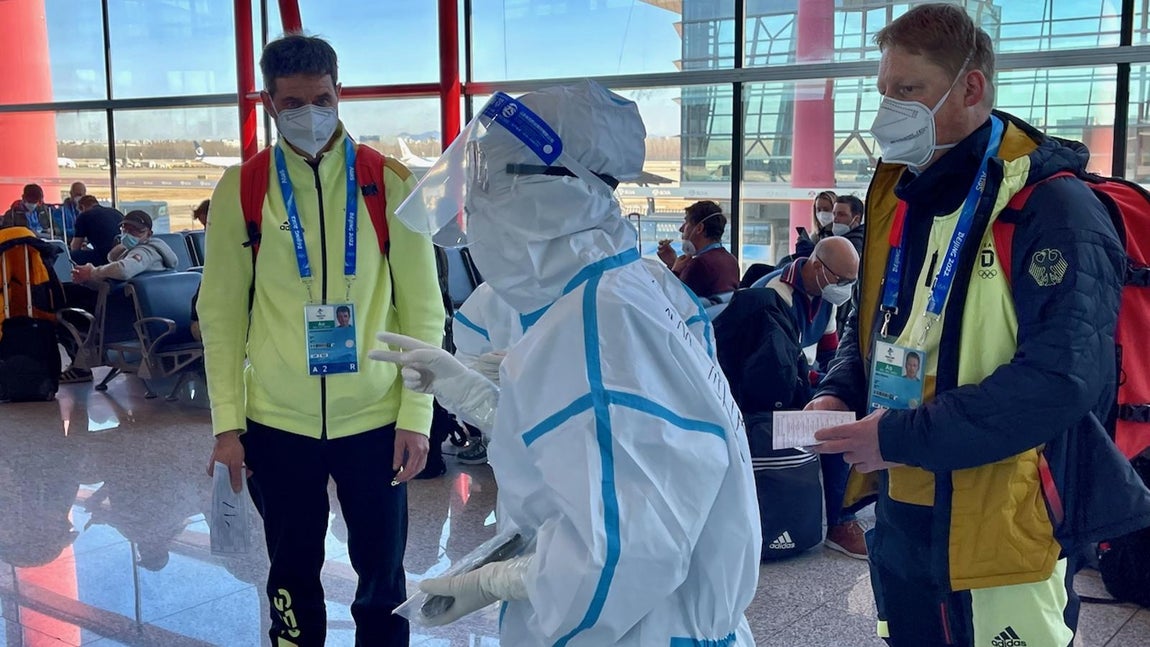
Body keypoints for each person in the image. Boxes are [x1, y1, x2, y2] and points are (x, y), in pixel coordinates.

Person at [809, 5, 1150, 646]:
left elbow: (1063, 379)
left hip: (1005, 514)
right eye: (884, 93)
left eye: (908, 91)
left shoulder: (1054, 207)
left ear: (972, 87)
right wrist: (842, 384)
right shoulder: (902, 196)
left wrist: (903, 435)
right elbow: (876, 323)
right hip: (905, 503)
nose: (889, 114)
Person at [373, 80, 759, 646]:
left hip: (636, 631)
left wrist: (498, 581)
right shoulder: (625, 286)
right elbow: (606, 452)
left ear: (557, 192)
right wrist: (477, 395)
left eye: (489, 184)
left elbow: (623, 554)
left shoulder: (596, 324)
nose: (474, 209)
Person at [197, 34, 444, 647]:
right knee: (290, 575)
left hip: (377, 420)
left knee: (383, 582)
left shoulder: (389, 181)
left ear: (341, 92)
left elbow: (424, 311)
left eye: (322, 98)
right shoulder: (245, 187)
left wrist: (416, 416)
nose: (310, 114)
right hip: (277, 424)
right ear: (268, 102)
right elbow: (222, 315)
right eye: (293, 103)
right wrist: (227, 425)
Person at [450, 258, 719, 466]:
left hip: (651, 466)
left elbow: (698, 389)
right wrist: (477, 392)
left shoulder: (647, 281)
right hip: (542, 479)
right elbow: (497, 421)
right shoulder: (495, 298)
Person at [740, 236, 865, 558]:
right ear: (818, 268)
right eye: (842, 280)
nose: (846, 288)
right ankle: (841, 522)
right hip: (763, 399)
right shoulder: (773, 295)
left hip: (794, 384)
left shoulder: (826, 297)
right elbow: (774, 364)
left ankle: (846, 510)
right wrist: (820, 387)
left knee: (845, 409)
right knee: (834, 429)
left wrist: (833, 385)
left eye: (852, 281)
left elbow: (829, 351)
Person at [61, 210, 178, 384]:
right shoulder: (145, 251)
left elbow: (124, 270)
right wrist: (89, 277)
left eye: (136, 230)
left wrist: (92, 272)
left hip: (123, 315)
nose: (129, 234)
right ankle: (80, 363)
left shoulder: (145, 252)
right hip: (127, 309)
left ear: (149, 234)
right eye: (126, 229)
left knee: (64, 308)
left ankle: (81, 366)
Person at [656, 200, 740, 299]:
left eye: (686, 223)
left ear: (699, 228)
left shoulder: (699, 264)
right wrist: (673, 263)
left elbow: (670, 300)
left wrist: (675, 271)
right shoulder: (730, 260)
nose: (681, 229)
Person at [70, 196, 124, 266]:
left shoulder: (84, 216)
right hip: (121, 254)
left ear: (82, 207)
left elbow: (75, 247)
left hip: (104, 257)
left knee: (71, 256)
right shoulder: (116, 212)